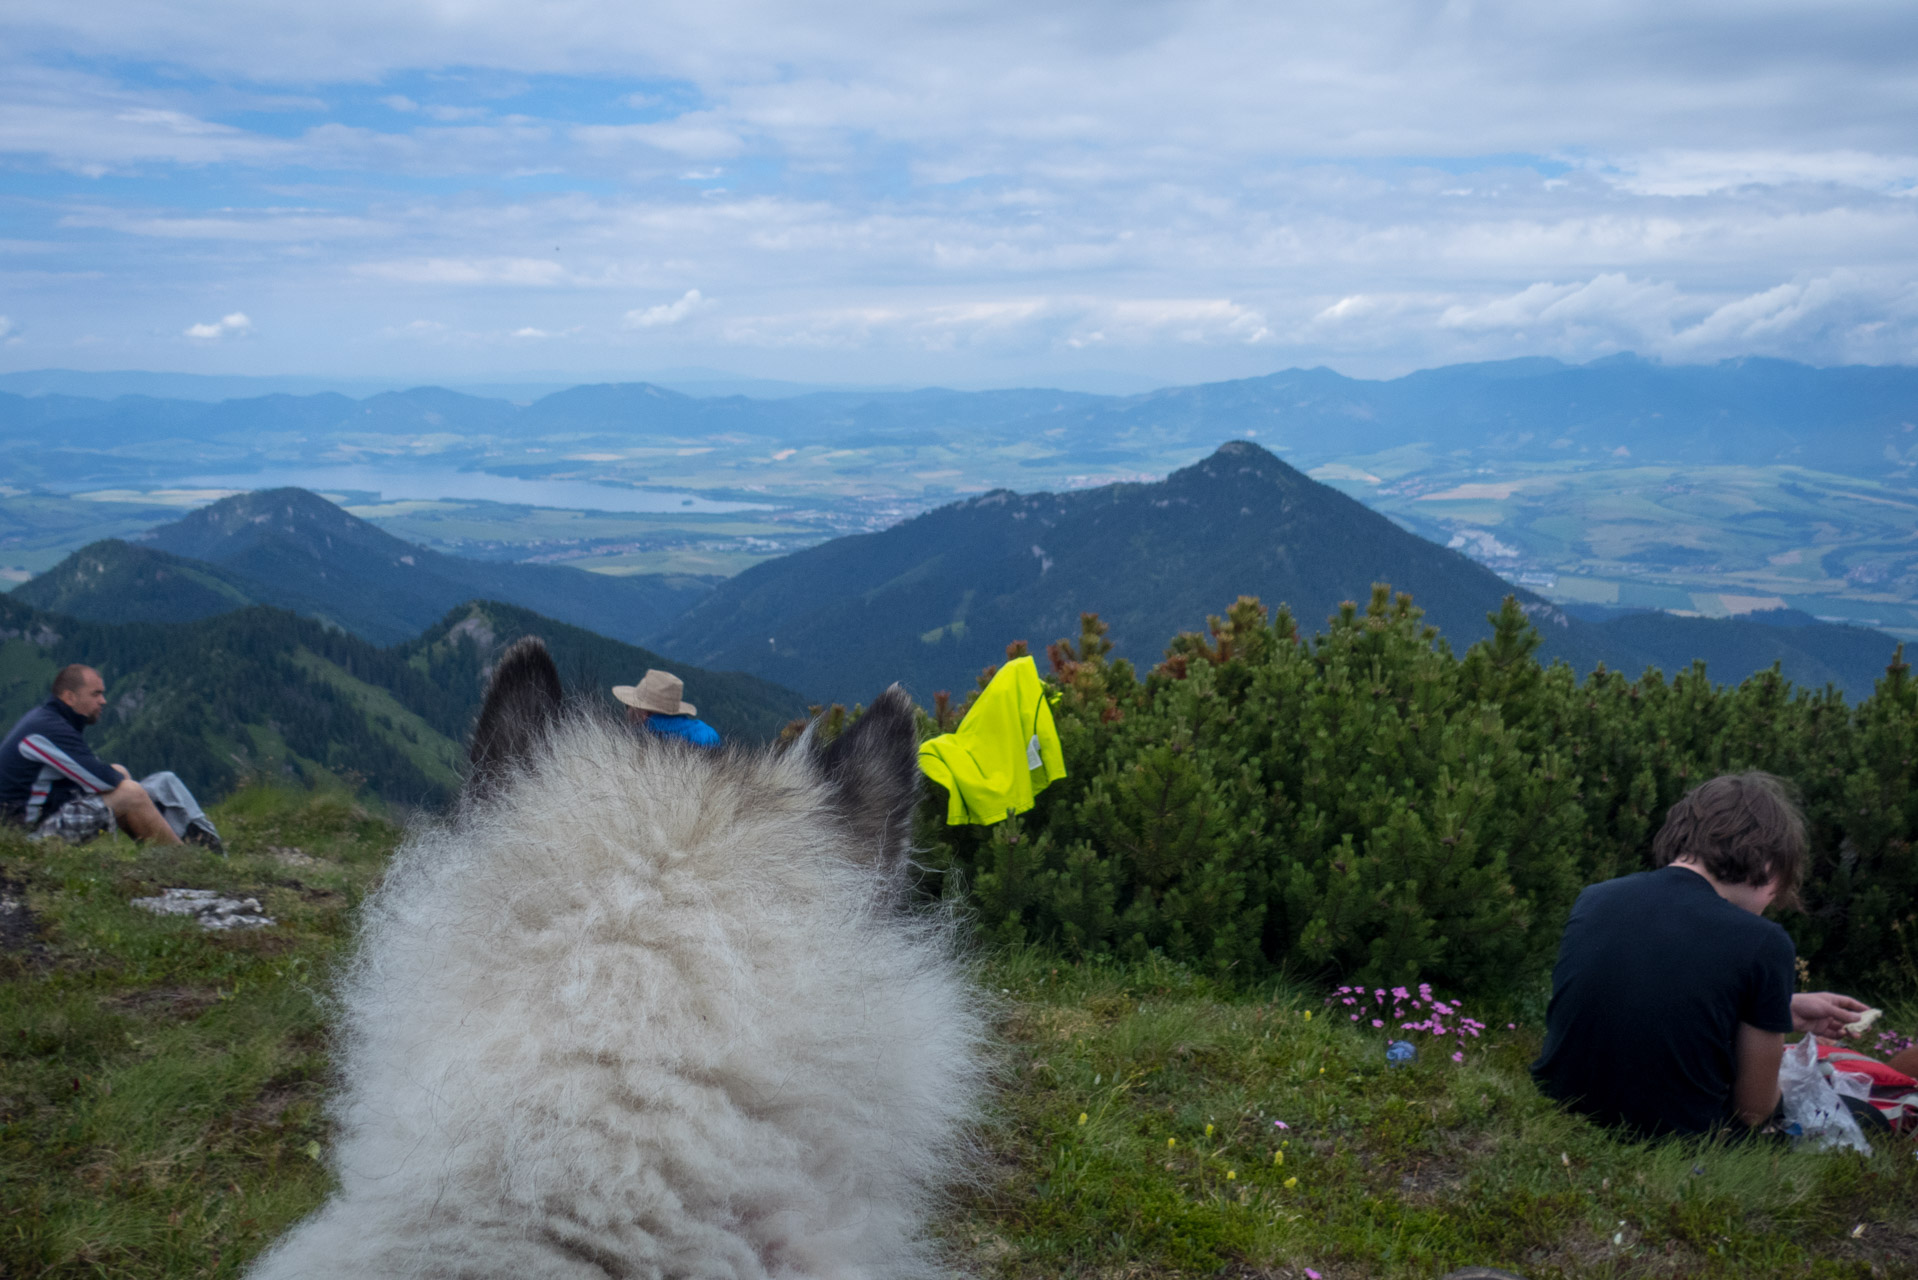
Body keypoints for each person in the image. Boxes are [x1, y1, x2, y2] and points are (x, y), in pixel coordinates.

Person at [1531, 771, 1868, 1138]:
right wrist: (1793, 1081)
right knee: (1865, 1113)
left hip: (1560, 1107)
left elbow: (1651, 995)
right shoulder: (1763, 941)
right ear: (1770, 864)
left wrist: (1779, 1010)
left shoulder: (1595, 898)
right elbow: (1754, 1110)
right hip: (1677, 1139)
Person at [0, 664, 223, 851]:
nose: (103, 701)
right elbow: (101, 780)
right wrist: (125, 785)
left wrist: (120, 776)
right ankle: (182, 863)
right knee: (130, 794)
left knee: (122, 775)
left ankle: (169, 844)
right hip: (24, 838)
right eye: (95, 694)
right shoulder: (47, 729)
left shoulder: (49, 721)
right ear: (70, 697)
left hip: (35, 817)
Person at [612, 669, 720, 748]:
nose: (627, 712)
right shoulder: (709, 734)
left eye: (628, 706)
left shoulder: (636, 741)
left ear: (644, 713)